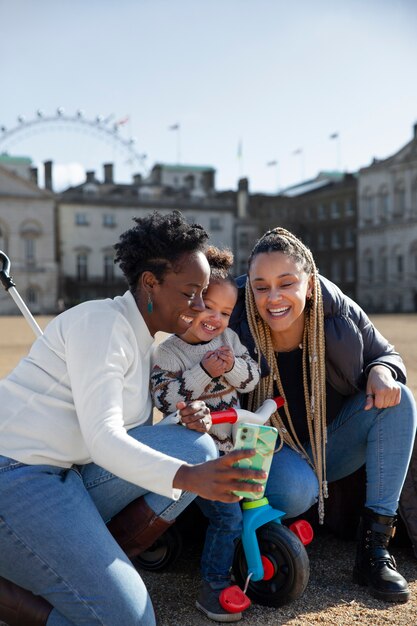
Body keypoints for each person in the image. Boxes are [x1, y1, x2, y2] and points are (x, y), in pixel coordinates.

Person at [0, 210, 266, 626]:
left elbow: (129, 438)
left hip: (69, 473)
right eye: (190, 293)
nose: (199, 307)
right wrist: (189, 477)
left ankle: (87, 560)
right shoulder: (100, 323)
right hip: (15, 474)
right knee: (132, 621)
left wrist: (183, 421)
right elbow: (105, 438)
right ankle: (17, 598)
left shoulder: (144, 340)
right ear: (150, 283)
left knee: (193, 443)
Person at [229, 226, 417, 604]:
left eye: (286, 283)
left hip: (327, 444)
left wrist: (381, 371)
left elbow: (386, 355)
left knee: (401, 402)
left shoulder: (337, 310)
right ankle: (272, 522)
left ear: (310, 284)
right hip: (269, 452)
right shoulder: (231, 313)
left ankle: (374, 549)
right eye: (261, 286)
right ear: (249, 287)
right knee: (299, 491)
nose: (274, 297)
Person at [151, 246, 260, 623]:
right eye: (208, 306)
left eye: (225, 312)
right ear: (190, 302)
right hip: (195, 459)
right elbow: (165, 400)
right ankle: (213, 585)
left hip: (232, 446)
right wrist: (206, 373)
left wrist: (230, 368)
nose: (215, 319)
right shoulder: (170, 352)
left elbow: (252, 377)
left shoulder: (228, 341)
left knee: (253, 499)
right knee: (227, 517)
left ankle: (248, 559)